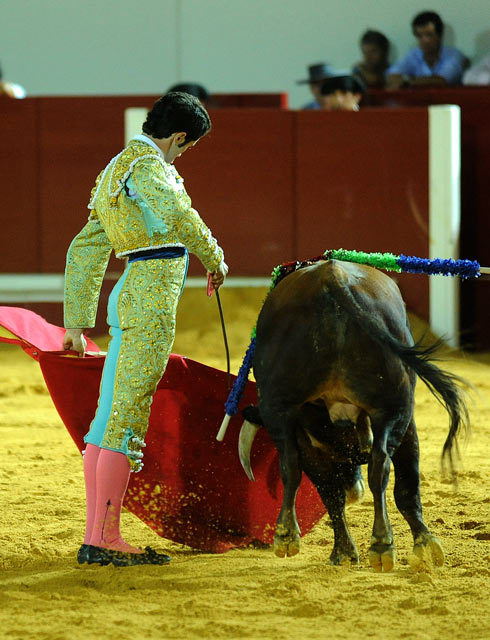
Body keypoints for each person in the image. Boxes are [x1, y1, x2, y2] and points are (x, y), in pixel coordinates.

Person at [63, 92, 228, 567]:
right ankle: (104, 538)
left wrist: (77, 323)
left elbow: (85, 249)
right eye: (186, 146)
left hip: (128, 292)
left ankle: (98, 534)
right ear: (178, 137)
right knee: (126, 417)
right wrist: (213, 256)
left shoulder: (115, 169)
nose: (182, 155)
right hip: (151, 297)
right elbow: (178, 216)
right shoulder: (152, 167)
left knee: (106, 418)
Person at [386, 11, 465, 88]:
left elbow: (441, 81)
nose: (424, 41)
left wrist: (407, 82)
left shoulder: (453, 55)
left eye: (429, 35)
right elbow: (391, 75)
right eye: (419, 36)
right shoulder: (413, 54)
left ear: (440, 36)